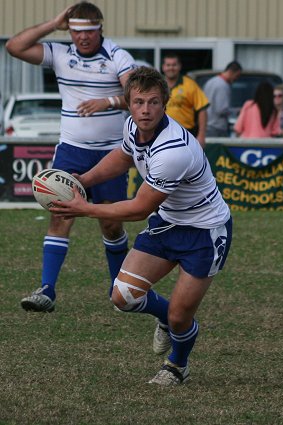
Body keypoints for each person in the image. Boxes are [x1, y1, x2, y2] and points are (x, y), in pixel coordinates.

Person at [50, 67, 233, 386]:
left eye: (152, 102)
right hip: (167, 223)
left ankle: (177, 365)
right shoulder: (132, 127)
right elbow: (123, 156)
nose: (145, 110)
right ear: (128, 103)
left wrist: (84, 207)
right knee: (122, 296)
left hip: (205, 232)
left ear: (165, 103)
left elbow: (139, 208)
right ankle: (164, 319)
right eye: (138, 102)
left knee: (180, 316)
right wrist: (84, 180)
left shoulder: (173, 150)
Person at [6, 1, 136, 312]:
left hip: (111, 153)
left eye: (89, 32)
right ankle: (47, 290)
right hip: (71, 150)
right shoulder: (60, 53)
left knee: (110, 223)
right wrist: (53, 23)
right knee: (60, 214)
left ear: (99, 30)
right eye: (77, 32)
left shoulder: (117, 55)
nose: (83, 38)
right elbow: (14, 46)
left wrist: (107, 102)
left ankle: (118, 289)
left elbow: (135, 96)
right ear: (71, 31)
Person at [162, 53, 209, 148]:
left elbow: (202, 109)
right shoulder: (157, 84)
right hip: (161, 132)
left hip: (185, 133)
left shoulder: (190, 84)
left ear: (179, 66)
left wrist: (201, 135)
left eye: (174, 65)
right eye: (168, 65)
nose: (171, 68)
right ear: (163, 67)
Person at [204, 60, 242, 137]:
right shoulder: (223, 86)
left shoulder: (211, 81)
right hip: (217, 128)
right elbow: (221, 110)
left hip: (207, 125)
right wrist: (238, 111)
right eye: (237, 76)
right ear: (231, 72)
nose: (236, 79)